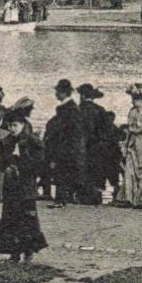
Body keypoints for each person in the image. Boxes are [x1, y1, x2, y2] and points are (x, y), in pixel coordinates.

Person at [0, 107, 48, 263]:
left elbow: (40, 161)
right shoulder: (5, 142)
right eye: (10, 126)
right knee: (10, 218)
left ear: (23, 124)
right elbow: (0, 160)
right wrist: (6, 167)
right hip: (11, 185)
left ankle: (29, 250)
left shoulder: (32, 141)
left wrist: (23, 163)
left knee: (27, 217)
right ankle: (14, 252)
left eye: (15, 125)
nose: (12, 129)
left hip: (26, 184)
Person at [43, 78, 86, 206]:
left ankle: (60, 199)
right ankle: (64, 198)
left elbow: (65, 131)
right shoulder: (72, 108)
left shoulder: (68, 109)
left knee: (61, 172)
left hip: (64, 147)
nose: (55, 94)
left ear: (62, 92)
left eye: (57, 91)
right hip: (70, 147)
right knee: (63, 172)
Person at [80, 84, 118, 204]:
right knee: (97, 171)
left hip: (82, 146)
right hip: (97, 146)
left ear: (81, 96)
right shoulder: (100, 110)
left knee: (84, 170)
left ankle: (83, 195)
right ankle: (96, 195)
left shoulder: (77, 110)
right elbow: (108, 130)